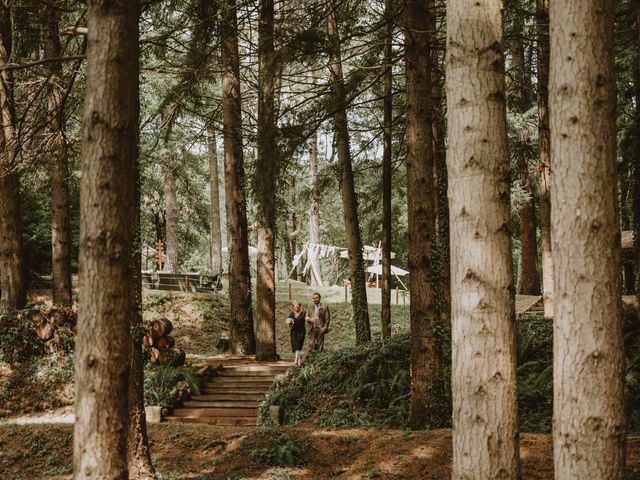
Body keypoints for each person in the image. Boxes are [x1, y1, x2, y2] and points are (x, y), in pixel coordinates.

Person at [288, 300, 306, 366]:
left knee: (299, 346)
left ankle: (295, 361)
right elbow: (289, 324)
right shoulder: (291, 314)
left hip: (301, 331)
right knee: (295, 346)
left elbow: (306, 319)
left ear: (299, 306)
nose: (296, 307)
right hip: (293, 332)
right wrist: (290, 325)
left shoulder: (303, 313)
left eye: (297, 306)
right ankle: (299, 362)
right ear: (293, 307)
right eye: (295, 306)